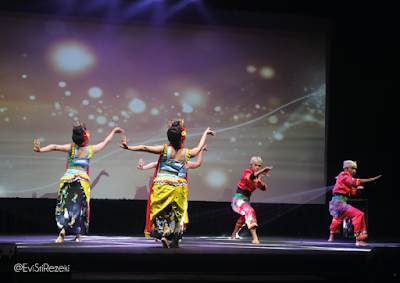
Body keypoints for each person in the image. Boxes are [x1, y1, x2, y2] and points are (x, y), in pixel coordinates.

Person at [120, 118, 216, 248]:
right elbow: (199, 148)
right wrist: (205, 133)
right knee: (176, 213)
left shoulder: (164, 150)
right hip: (178, 185)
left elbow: (144, 147)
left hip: (162, 184)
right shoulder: (187, 153)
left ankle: (164, 236)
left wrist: (129, 147)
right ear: (182, 138)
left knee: (162, 210)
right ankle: (175, 239)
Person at [33, 122, 124, 243]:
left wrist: (40, 150)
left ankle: (63, 232)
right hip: (81, 182)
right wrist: (113, 131)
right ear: (85, 138)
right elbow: (105, 142)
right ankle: (78, 235)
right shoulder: (90, 150)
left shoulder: (71, 148)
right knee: (78, 208)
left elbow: (54, 146)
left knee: (66, 206)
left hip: (68, 180)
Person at [137, 144, 211, 242]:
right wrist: (200, 151)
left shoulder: (170, 162)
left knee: (162, 212)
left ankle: (162, 235)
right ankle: (172, 238)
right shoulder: (184, 163)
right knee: (175, 213)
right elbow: (198, 163)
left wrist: (143, 168)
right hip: (178, 191)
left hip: (166, 189)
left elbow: (156, 164)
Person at [328, 160, 381, 246]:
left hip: (336, 203)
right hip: (339, 203)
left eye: (355, 169)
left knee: (338, 218)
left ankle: (331, 237)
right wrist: (370, 179)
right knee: (359, 214)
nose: (354, 171)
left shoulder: (345, 180)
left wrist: (357, 190)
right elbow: (354, 181)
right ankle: (359, 240)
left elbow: (353, 193)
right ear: (345, 168)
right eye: (352, 168)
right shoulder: (344, 175)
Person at [230, 157, 273, 244]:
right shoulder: (247, 172)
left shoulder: (258, 177)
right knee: (250, 211)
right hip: (238, 200)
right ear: (250, 165)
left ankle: (234, 234)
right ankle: (255, 238)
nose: (257, 167)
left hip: (245, 200)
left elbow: (263, 188)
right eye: (255, 165)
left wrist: (260, 181)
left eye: (259, 166)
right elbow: (249, 178)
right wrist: (262, 171)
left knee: (243, 217)